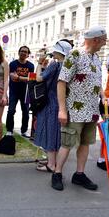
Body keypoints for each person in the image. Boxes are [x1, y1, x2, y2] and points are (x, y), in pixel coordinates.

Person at [51, 26, 109, 191]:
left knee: (85, 143)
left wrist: (103, 96)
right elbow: (61, 82)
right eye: (104, 39)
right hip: (74, 111)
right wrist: (62, 110)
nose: (105, 42)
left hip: (91, 111)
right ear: (96, 39)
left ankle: (79, 174)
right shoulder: (75, 55)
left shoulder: (97, 58)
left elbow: (97, 82)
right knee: (67, 144)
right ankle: (57, 173)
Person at [34, 40, 73, 172]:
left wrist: (39, 63)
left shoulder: (55, 65)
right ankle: (54, 161)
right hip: (63, 104)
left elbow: (39, 78)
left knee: (50, 132)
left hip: (50, 102)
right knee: (57, 133)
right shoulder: (69, 65)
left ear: (58, 52)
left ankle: (51, 164)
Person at [6, 46, 35, 137]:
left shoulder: (31, 66)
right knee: (11, 111)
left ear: (28, 54)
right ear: (19, 53)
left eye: (25, 52)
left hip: (26, 92)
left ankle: (24, 131)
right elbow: (11, 76)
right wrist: (25, 78)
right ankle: (9, 130)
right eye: (22, 51)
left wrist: (18, 77)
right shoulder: (12, 64)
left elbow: (32, 79)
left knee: (26, 112)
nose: (23, 53)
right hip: (14, 91)